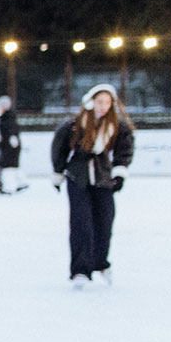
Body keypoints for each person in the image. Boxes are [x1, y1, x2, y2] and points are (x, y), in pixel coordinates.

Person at [51, 84, 134, 288]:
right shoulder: (74, 124)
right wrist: (58, 171)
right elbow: (59, 147)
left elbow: (125, 149)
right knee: (81, 224)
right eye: (99, 102)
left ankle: (100, 262)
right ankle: (80, 270)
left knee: (105, 222)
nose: (103, 106)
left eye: (107, 102)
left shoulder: (117, 125)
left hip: (103, 178)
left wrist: (120, 173)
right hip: (77, 177)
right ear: (90, 102)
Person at [0, 95, 27, 193]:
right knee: (10, 166)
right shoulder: (4, 117)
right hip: (6, 146)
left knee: (8, 167)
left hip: (9, 147)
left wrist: (12, 137)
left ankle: (8, 187)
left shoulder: (8, 117)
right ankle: (20, 183)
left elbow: (11, 129)